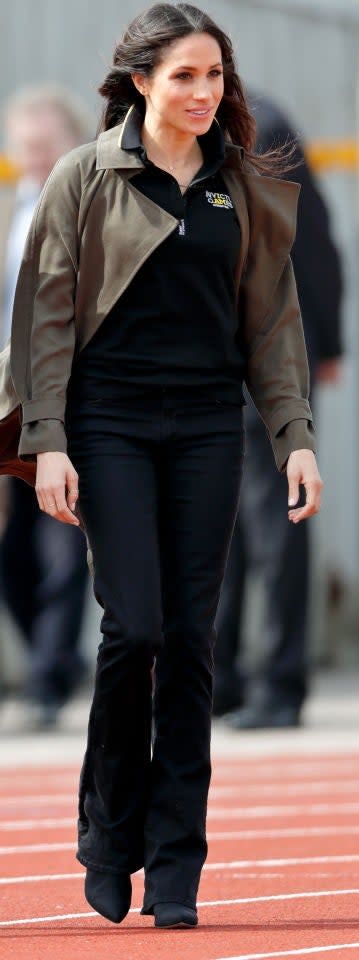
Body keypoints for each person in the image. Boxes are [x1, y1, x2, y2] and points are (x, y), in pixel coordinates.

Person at [0, 1, 322, 929]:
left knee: (191, 643)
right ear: (139, 82)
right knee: (132, 627)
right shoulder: (83, 176)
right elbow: (44, 317)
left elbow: (273, 321)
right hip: (109, 426)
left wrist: (293, 436)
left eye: (214, 76)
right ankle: (108, 830)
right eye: (183, 76)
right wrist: (46, 441)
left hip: (211, 428)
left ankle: (175, 860)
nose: (202, 93)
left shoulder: (242, 183)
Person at [0, 85, 94, 728]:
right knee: (7, 547)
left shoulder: (97, 211)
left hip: (75, 398)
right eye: (27, 146)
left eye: (48, 146)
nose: (37, 158)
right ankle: (53, 661)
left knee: (64, 544)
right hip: (5, 403)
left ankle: (43, 681)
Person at [214, 93, 343, 728]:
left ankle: (276, 684)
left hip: (265, 347)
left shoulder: (257, 125)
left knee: (270, 517)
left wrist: (327, 342)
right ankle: (233, 682)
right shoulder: (239, 120)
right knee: (228, 522)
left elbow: (311, 243)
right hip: (221, 350)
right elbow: (319, 241)